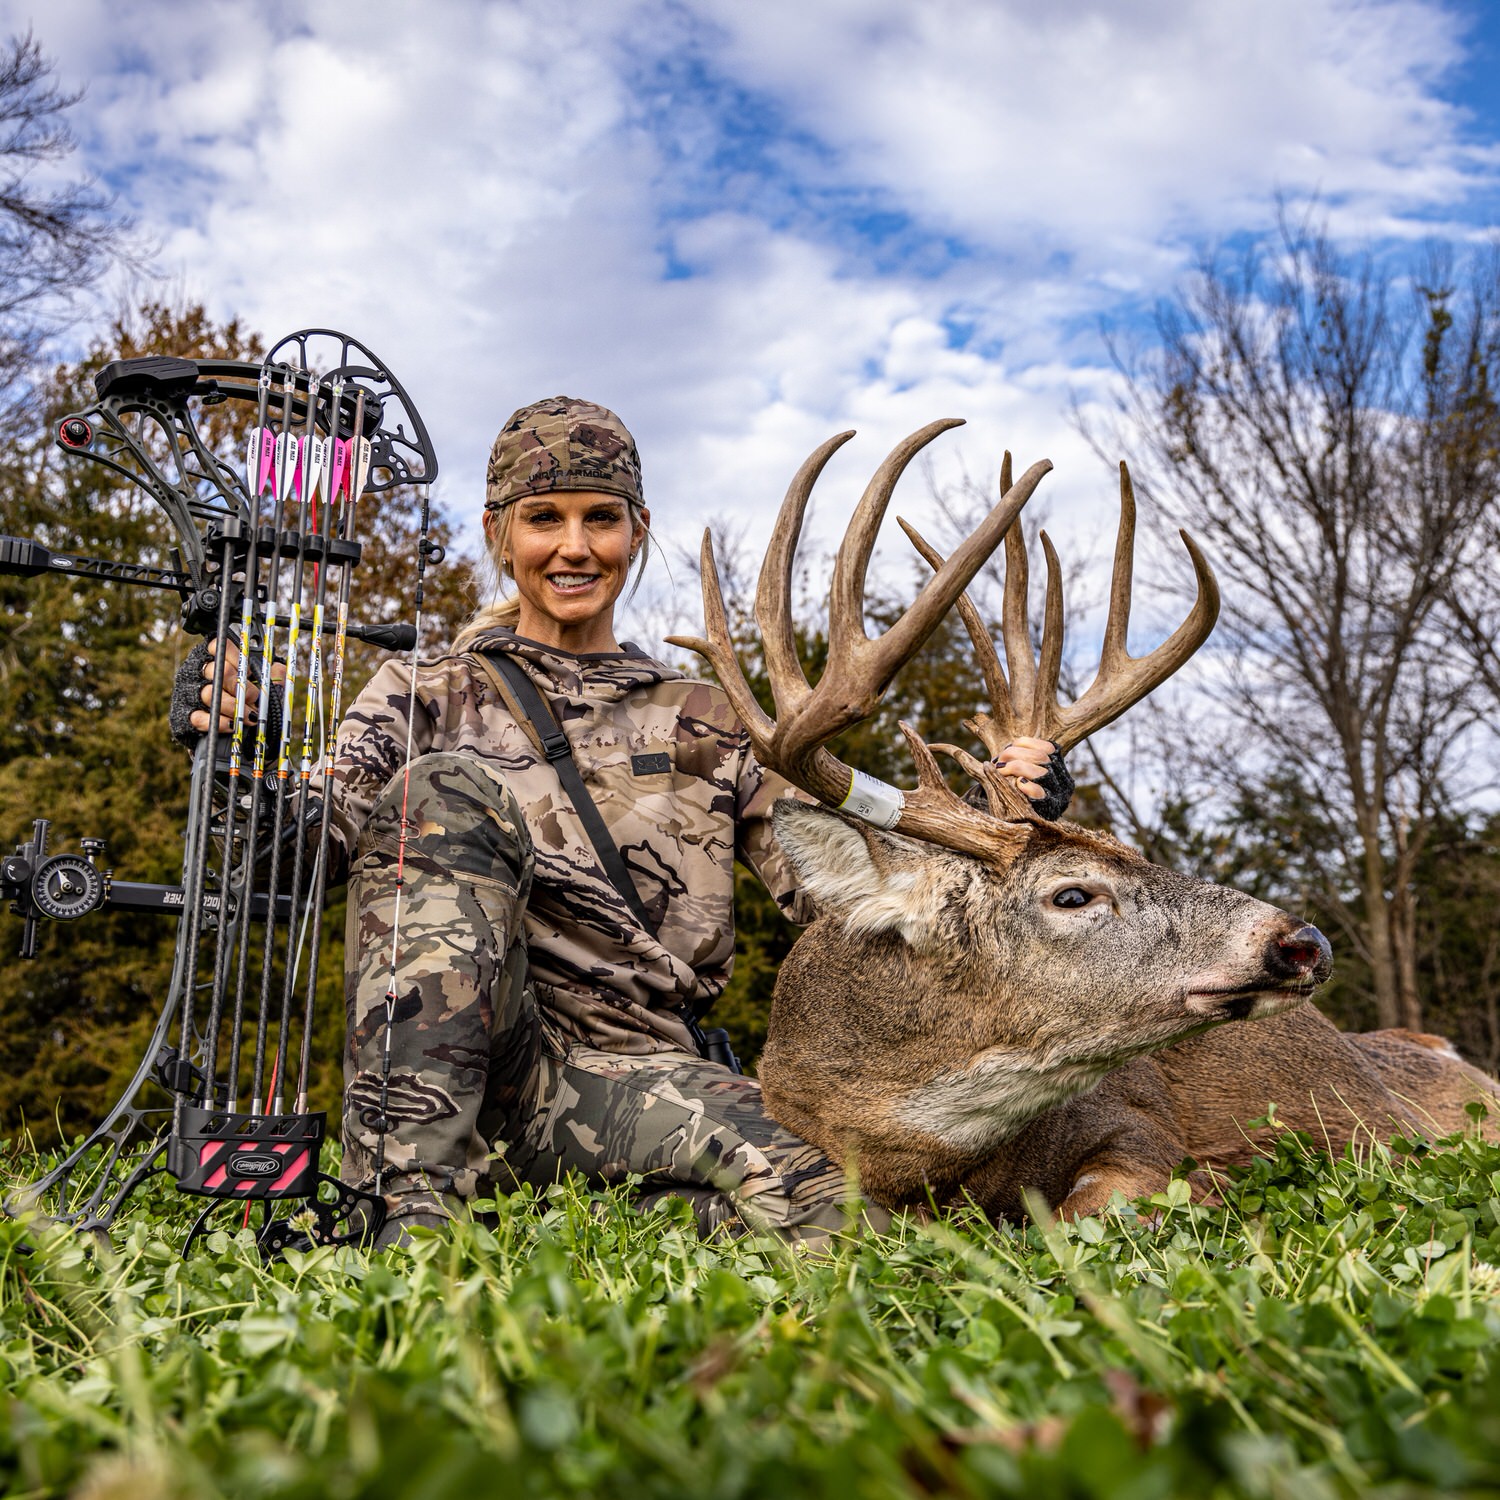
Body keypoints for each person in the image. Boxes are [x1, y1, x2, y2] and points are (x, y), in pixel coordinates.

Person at [182, 396, 1071, 1247]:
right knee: (442, 791)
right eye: (544, 519)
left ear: (636, 532)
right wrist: (241, 756)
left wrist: (1002, 815)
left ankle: (585, 1218)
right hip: (468, 1069)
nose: (574, 547)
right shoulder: (423, 694)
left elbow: (842, 884)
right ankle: (407, 1219)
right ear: (499, 532)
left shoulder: (707, 718)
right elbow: (291, 861)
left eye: (600, 518)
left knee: (843, 1213)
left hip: (635, 1081)